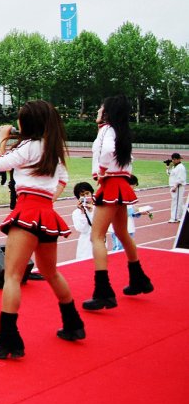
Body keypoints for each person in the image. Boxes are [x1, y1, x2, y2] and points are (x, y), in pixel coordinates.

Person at [0, 100, 84, 359]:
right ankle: (73, 324)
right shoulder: (52, 150)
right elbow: (62, 179)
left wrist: (2, 139)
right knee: (51, 272)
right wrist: (47, 200)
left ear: (26, 123)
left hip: (27, 210)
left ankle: (8, 340)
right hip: (46, 213)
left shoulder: (28, 146)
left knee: (12, 277)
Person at [83, 95, 153, 311]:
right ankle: (139, 278)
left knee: (97, 236)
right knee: (122, 233)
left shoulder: (105, 131)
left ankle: (103, 291)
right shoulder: (122, 132)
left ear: (107, 113)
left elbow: (105, 153)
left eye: (100, 108)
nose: (97, 112)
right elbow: (127, 161)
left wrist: (102, 173)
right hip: (121, 184)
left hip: (111, 184)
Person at [71, 182, 96, 261]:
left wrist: (92, 211)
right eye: (82, 195)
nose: (85, 196)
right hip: (85, 245)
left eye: (87, 193)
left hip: (100, 243)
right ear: (78, 197)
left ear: (91, 193)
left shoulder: (98, 209)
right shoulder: (76, 213)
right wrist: (82, 212)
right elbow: (82, 229)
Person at [167, 152, 185, 224]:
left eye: (174, 159)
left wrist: (175, 186)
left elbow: (181, 179)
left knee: (176, 202)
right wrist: (167, 166)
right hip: (175, 186)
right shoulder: (176, 166)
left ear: (177, 159)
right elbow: (169, 174)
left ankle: (174, 218)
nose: (173, 161)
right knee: (179, 202)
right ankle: (180, 217)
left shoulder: (180, 167)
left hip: (178, 187)